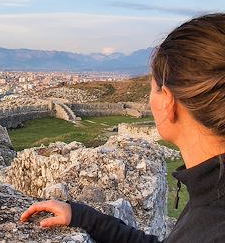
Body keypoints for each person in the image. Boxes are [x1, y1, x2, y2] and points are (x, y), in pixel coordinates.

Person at [20, 13, 225, 243]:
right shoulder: (214, 199)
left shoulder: (213, 219)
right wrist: (87, 219)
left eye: (154, 89)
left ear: (168, 102)